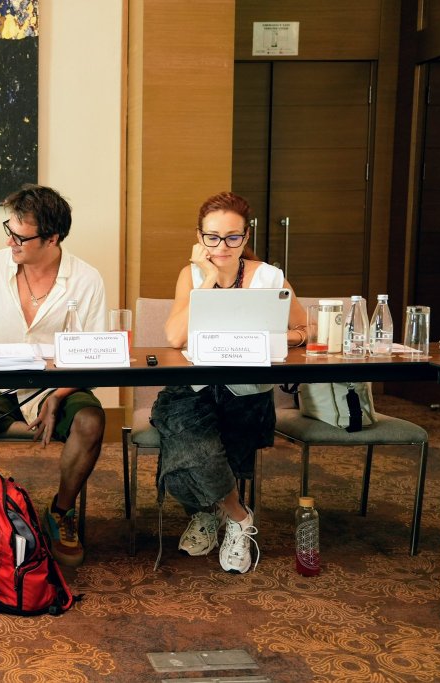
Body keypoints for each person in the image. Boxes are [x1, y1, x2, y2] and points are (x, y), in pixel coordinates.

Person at [0, 184, 107, 568]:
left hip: (57, 385)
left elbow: (94, 352)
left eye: (20, 236)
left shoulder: (87, 279)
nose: (9, 241)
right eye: (8, 231)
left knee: (91, 420)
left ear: (52, 238)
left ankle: (61, 512)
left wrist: (58, 395)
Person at [154, 191, 306, 574]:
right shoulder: (191, 275)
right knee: (182, 427)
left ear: (246, 236)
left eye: (233, 237)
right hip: (193, 388)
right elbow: (174, 336)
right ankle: (237, 516)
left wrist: (269, 337)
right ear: (199, 237)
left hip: (247, 392)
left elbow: (306, 328)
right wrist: (207, 280)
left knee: (196, 441)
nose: (222, 246)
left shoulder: (269, 277)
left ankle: (208, 512)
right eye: (212, 237)